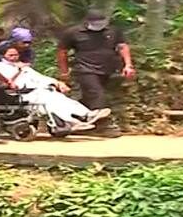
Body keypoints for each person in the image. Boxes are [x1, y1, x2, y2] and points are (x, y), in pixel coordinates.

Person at [57, 9, 135, 138]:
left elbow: (122, 46)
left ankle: (76, 121)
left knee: (90, 98)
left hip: (107, 69)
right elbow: (62, 51)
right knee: (97, 94)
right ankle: (105, 126)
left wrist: (128, 65)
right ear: (87, 22)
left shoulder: (113, 31)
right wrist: (64, 71)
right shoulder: (73, 33)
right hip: (85, 69)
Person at [0, 46, 110, 132]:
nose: (14, 57)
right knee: (50, 100)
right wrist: (19, 71)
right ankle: (71, 121)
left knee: (60, 98)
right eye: (11, 55)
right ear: (2, 56)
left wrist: (57, 82)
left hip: (39, 90)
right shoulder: (0, 68)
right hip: (21, 94)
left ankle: (86, 114)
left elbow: (40, 77)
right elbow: (8, 82)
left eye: (16, 55)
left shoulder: (23, 66)